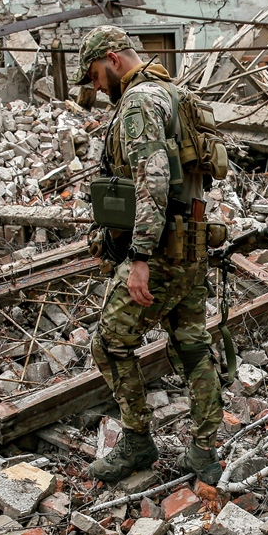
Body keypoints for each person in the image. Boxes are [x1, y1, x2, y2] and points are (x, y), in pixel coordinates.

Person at [71, 26, 223, 485]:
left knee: (110, 342)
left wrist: (139, 258)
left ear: (113, 59)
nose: (96, 87)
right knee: (192, 345)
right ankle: (204, 454)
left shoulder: (139, 103)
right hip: (191, 242)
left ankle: (137, 442)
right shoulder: (174, 95)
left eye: (96, 75)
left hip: (160, 252)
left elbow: (153, 181)